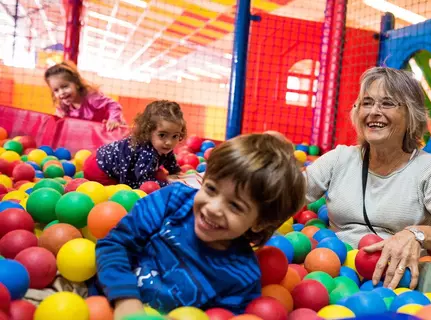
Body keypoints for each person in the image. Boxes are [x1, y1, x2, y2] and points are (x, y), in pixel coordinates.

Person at [93, 133, 306, 317]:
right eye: (212, 189)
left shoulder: (241, 277)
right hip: (102, 301)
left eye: (235, 206)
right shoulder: (172, 201)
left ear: (260, 222)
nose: (213, 208)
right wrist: (125, 301)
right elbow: (115, 244)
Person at [304, 67, 431, 298]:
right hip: (332, 270)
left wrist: (415, 235)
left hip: (395, 277)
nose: (374, 112)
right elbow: (290, 194)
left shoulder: (430, 168)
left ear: (411, 114)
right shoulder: (339, 158)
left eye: (387, 103)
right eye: (367, 102)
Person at [83, 100, 186, 189]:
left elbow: (169, 160)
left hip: (99, 159)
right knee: (118, 192)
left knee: (155, 172)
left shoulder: (163, 146)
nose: (169, 142)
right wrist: (168, 184)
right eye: (162, 135)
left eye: (175, 136)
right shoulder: (147, 153)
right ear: (149, 131)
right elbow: (143, 184)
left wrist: (175, 172)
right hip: (98, 169)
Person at [44, 61, 125, 131]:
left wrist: (114, 119)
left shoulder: (91, 97)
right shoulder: (63, 106)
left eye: (65, 87)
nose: (61, 92)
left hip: (112, 129)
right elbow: (58, 120)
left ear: (76, 83)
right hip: (93, 133)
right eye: (56, 90)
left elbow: (113, 105)